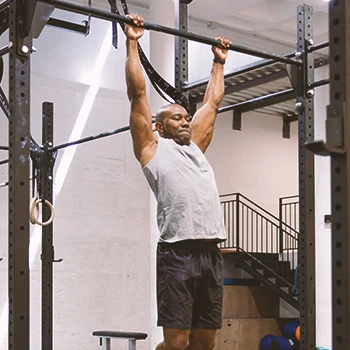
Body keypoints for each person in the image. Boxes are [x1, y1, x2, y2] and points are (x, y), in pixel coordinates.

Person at [125, 13, 231, 350]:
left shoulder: (196, 147)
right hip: (178, 254)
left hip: (211, 252)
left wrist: (218, 63)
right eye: (177, 118)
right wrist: (132, 42)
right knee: (176, 342)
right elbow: (138, 95)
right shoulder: (152, 150)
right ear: (159, 126)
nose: (185, 122)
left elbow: (212, 101)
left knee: (204, 342)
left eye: (186, 117)